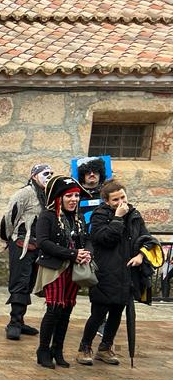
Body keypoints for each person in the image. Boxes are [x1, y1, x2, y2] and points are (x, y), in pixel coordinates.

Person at [77, 181, 151, 366]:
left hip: (126, 272)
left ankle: (105, 347)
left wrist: (142, 255)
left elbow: (146, 238)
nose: (120, 202)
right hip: (106, 272)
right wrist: (118, 218)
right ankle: (84, 347)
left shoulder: (134, 215)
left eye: (123, 197)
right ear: (107, 201)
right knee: (99, 312)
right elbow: (103, 239)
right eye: (115, 199)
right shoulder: (100, 215)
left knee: (117, 312)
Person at [32, 176, 91, 369]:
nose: (74, 199)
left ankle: (57, 349)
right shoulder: (47, 216)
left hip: (73, 269)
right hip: (53, 268)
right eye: (69, 196)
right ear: (59, 198)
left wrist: (86, 254)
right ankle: (43, 350)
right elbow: (43, 242)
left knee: (66, 310)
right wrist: (72, 253)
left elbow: (86, 239)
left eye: (76, 196)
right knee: (54, 309)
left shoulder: (79, 217)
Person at [2, 164, 52, 340]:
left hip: (39, 246)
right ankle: (14, 323)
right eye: (45, 174)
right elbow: (10, 216)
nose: (48, 176)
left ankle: (20, 321)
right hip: (22, 244)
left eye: (51, 174)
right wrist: (10, 238)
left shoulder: (49, 195)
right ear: (34, 176)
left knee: (29, 283)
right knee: (20, 282)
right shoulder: (25, 193)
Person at [74, 156, 108, 223]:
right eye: (88, 172)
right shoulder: (76, 194)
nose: (92, 174)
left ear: (100, 174)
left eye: (95, 171)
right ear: (83, 175)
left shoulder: (106, 193)